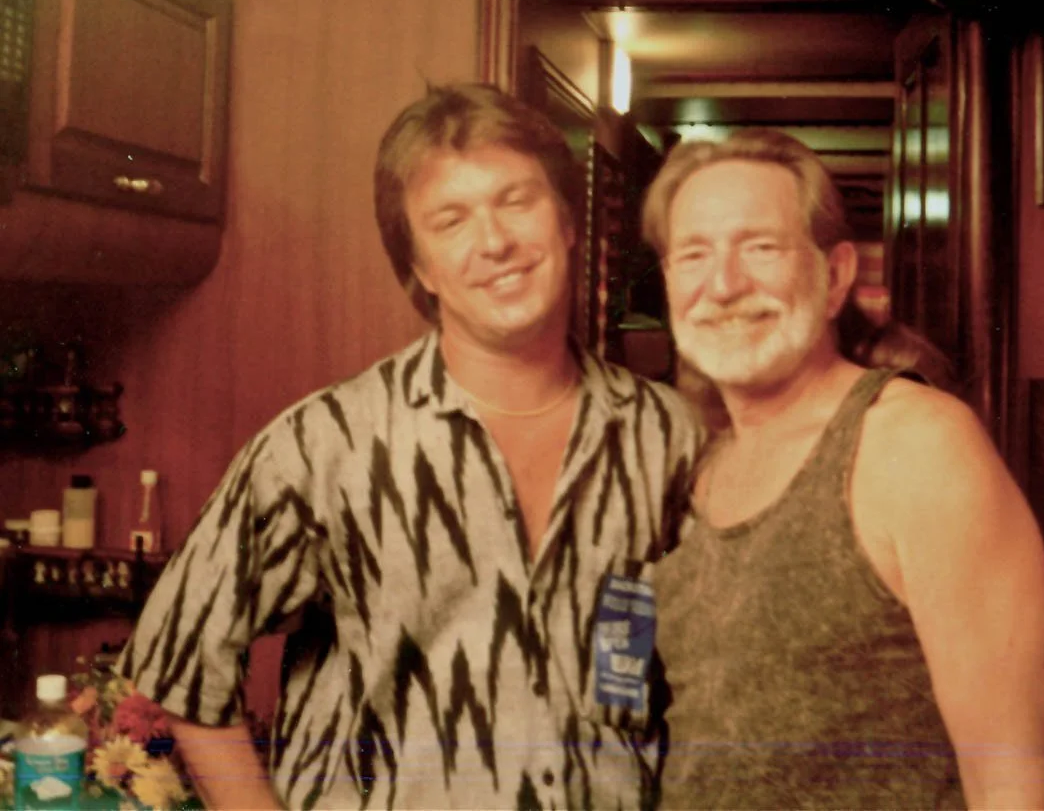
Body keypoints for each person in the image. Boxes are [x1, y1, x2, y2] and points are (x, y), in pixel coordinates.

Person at [117, 84, 700, 810]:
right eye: (450, 220)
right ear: (418, 267)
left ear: (568, 220)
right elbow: (180, 662)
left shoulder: (666, 436)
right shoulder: (325, 445)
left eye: (517, 199)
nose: (495, 242)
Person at [643, 129, 1044, 809]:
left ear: (835, 274)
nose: (722, 284)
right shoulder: (703, 465)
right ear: (668, 283)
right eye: (694, 254)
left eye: (761, 247)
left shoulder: (915, 445)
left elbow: (1015, 783)